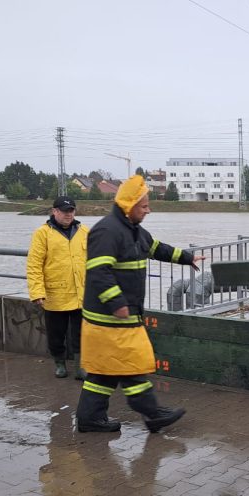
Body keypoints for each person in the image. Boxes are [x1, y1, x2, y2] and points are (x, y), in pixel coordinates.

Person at [75, 175, 204, 433]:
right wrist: (117, 303)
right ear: (129, 205)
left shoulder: (133, 230)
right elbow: (99, 272)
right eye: (144, 206)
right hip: (110, 319)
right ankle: (152, 413)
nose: (148, 210)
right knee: (131, 364)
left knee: (105, 371)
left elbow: (155, 248)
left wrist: (187, 257)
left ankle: (89, 418)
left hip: (120, 316)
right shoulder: (107, 231)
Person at [27, 196, 89, 380]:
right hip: (55, 294)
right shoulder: (43, 233)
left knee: (82, 334)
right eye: (64, 211)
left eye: (71, 211)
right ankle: (60, 363)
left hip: (81, 293)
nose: (68, 214)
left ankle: (80, 367)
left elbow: (94, 260)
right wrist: (37, 292)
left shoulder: (84, 231)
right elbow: (34, 265)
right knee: (56, 335)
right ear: (54, 212)